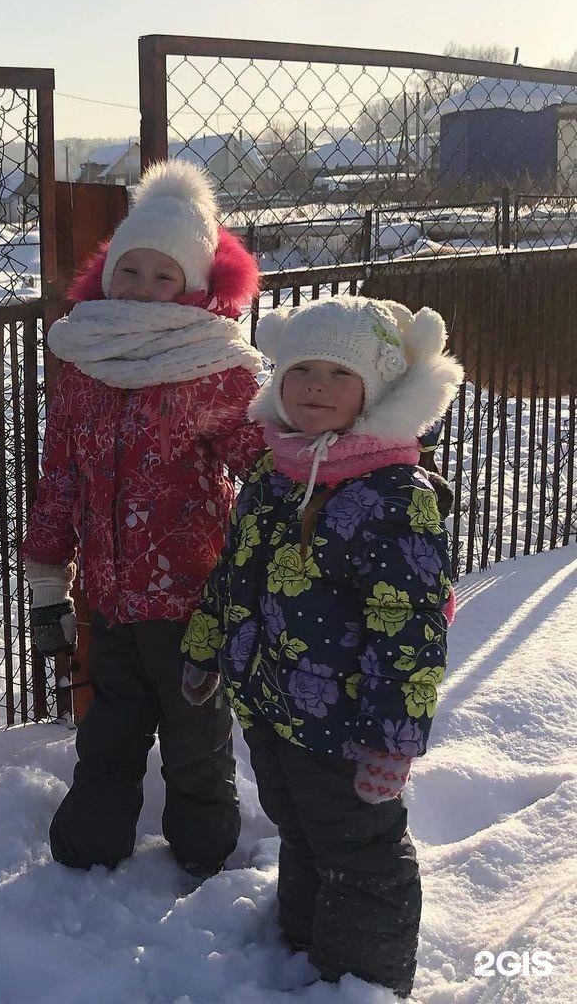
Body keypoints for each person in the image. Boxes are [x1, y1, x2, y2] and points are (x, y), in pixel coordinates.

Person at [182, 295, 463, 997]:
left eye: (338, 374)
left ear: (379, 391)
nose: (313, 386)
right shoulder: (274, 474)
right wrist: (206, 646)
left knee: (360, 849)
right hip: (275, 708)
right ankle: (305, 937)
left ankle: (363, 978)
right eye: (301, 368)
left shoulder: (396, 496)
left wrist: (392, 741)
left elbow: (411, 628)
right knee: (301, 828)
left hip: (349, 726)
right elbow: (232, 573)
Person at [22, 159, 265, 878]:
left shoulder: (215, 367)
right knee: (108, 734)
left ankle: (204, 850)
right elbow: (60, 476)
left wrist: (342, 466)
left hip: (196, 603)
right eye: (133, 270)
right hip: (111, 598)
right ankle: (89, 846)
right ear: (108, 273)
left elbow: (261, 457)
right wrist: (46, 580)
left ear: (194, 288)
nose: (146, 288)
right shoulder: (84, 361)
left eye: (167, 276)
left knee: (197, 738)